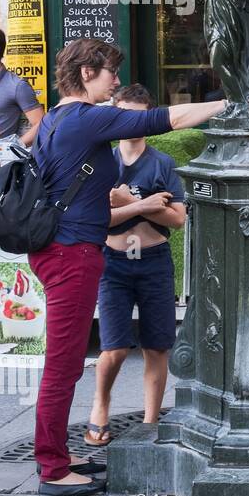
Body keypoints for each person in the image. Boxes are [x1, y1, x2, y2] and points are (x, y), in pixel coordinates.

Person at [30, 38, 249, 496]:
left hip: (60, 251)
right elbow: (170, 118)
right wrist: (234, 102)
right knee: (62, 367)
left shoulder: (55, 119)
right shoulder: (86, 117)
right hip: (71, 254)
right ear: (86, 74)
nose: (116, 81)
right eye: (110, 73)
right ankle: (53, 470)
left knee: (66, 365)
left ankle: (59, 453)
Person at [84, 85, 186, 448]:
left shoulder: (163, 163)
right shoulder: (101, 162)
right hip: (113, 264)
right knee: (113, 347)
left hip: (155, 262)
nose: (132, 123)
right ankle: (100, 404)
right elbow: (99, 220)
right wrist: (142, 205)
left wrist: (128, 202)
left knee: (157, 346)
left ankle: (149, 420)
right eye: (124, 113)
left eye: (140, 116)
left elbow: (178, 220)